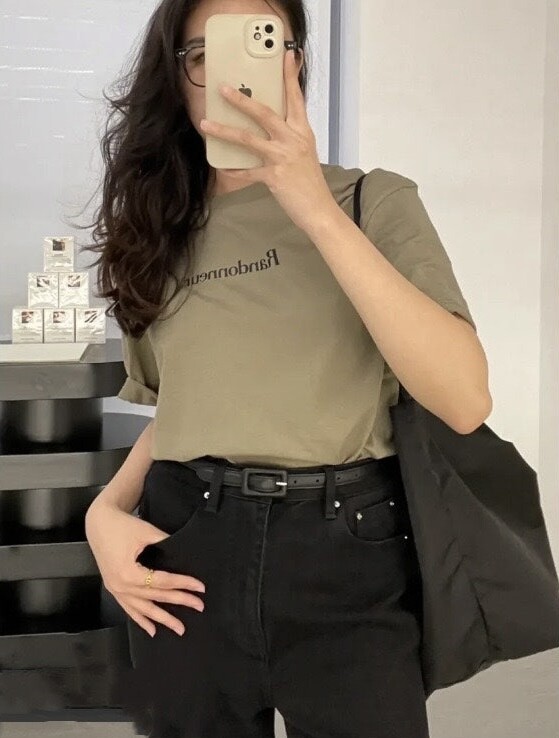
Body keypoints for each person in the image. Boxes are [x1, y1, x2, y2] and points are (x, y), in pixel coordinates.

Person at [83, 0, 492, 736]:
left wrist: (312, 207)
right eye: (202, 55)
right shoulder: (156, 228)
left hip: (347, 555)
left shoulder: (372, 201)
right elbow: (187, 406)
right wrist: (104, 511)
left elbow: (464, 400)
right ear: (177, 79)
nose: (230, 77)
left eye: (262, 45)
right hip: (187, 547)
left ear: (296, 62)